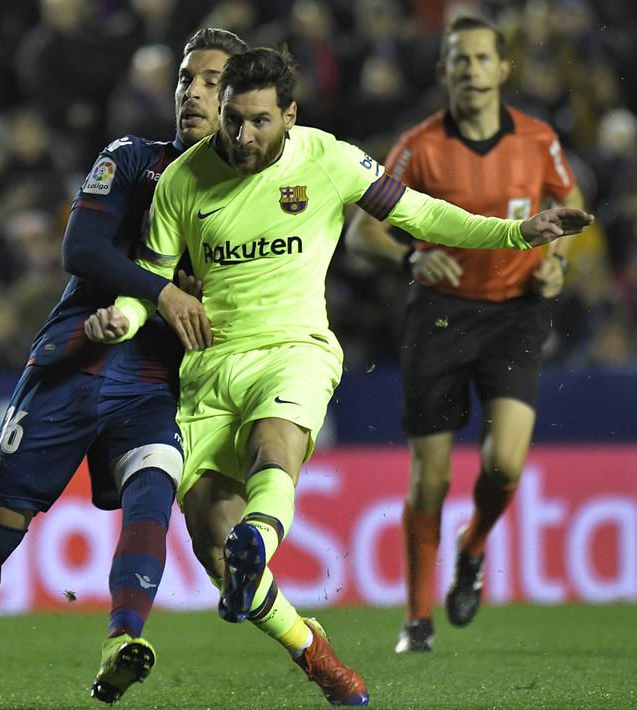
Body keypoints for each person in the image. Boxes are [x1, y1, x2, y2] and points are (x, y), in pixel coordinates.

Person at [85, 46, 591, 707]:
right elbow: (149, 286)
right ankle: (314, 652)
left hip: (294, 349)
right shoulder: (181, 181)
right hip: (207, 366)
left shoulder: (327, 159)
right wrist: (120, 318)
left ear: (289, 115)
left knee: (275, 446)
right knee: (212, 541)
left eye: (260, 122)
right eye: (233, 120)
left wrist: (516, 234)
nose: (243, 137)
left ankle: (255, 544)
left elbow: (421, 214)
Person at [0, 28, 248, 710]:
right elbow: (80, 249)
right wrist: (159, 292)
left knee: (151, 492)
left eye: (211, 81)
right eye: (185, 79)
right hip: (75, 359)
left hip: (150, 381)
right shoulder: (132, 159)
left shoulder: (252, 198)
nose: (192, 92)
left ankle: (122, 640)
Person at [343, 16, 584, 654]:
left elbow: (570, 212)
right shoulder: (419, 145)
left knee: (506, 462)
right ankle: (417, 620)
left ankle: (473, 548)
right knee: (432, 478)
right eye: (460, 59)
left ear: (503, 69)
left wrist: (558, 263)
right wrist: (409, 258)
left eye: (482, 58)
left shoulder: (537, 140)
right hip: (440, 315)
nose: (472, 69)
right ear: (444, 71)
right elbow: (361, 229)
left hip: (514, 313)